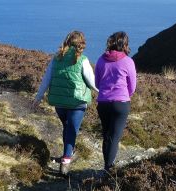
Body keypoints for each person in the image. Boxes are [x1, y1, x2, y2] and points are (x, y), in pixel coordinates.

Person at [33, 31, 98, 175]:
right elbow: (92, 83)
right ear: (81, 44)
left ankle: (69, 153)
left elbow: (46, 80)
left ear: (67, 42)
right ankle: (66, 161)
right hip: (77, 102)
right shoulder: (83, 60)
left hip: (59, 103)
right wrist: (106, 93)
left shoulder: (56, 58)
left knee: (67, 127)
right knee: (72, 131)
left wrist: (38, 98)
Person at [95, 31, 137, 173]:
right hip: (121, 104)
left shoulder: (101, 60)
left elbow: (97, 82)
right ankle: (109, 168)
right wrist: (125, 95)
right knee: (114, 137)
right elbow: (132, 86)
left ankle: (107, 165)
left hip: (103, 103)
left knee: (106, 135)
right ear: (124, 44)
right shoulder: (128, 61)